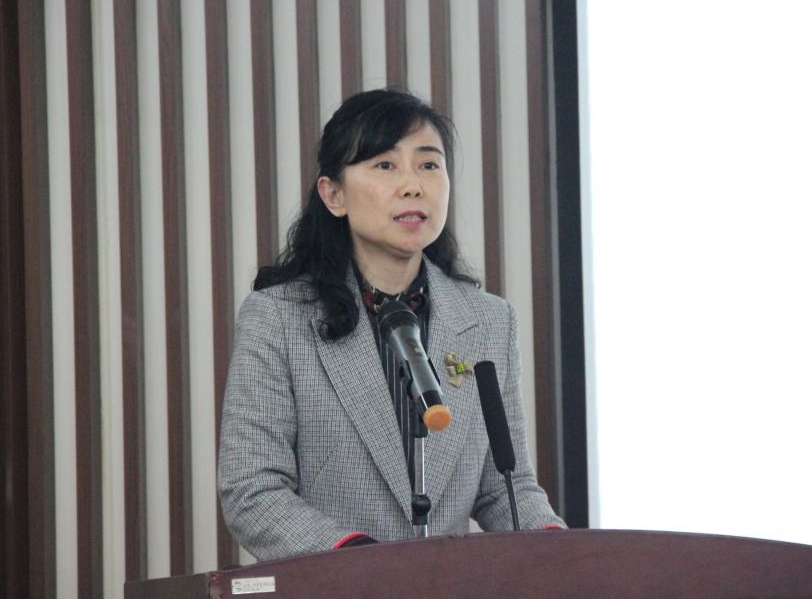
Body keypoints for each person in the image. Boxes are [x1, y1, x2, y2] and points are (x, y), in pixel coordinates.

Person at [218, 88, 564, 562]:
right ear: (334, 195)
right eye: (385, 165)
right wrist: (363, 563)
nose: (412, 185)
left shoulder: (488, 321)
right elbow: (252, 490)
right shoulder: (278, 318)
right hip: (337, 587)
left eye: (429, 165)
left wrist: (561, 553)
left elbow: (505, 486)